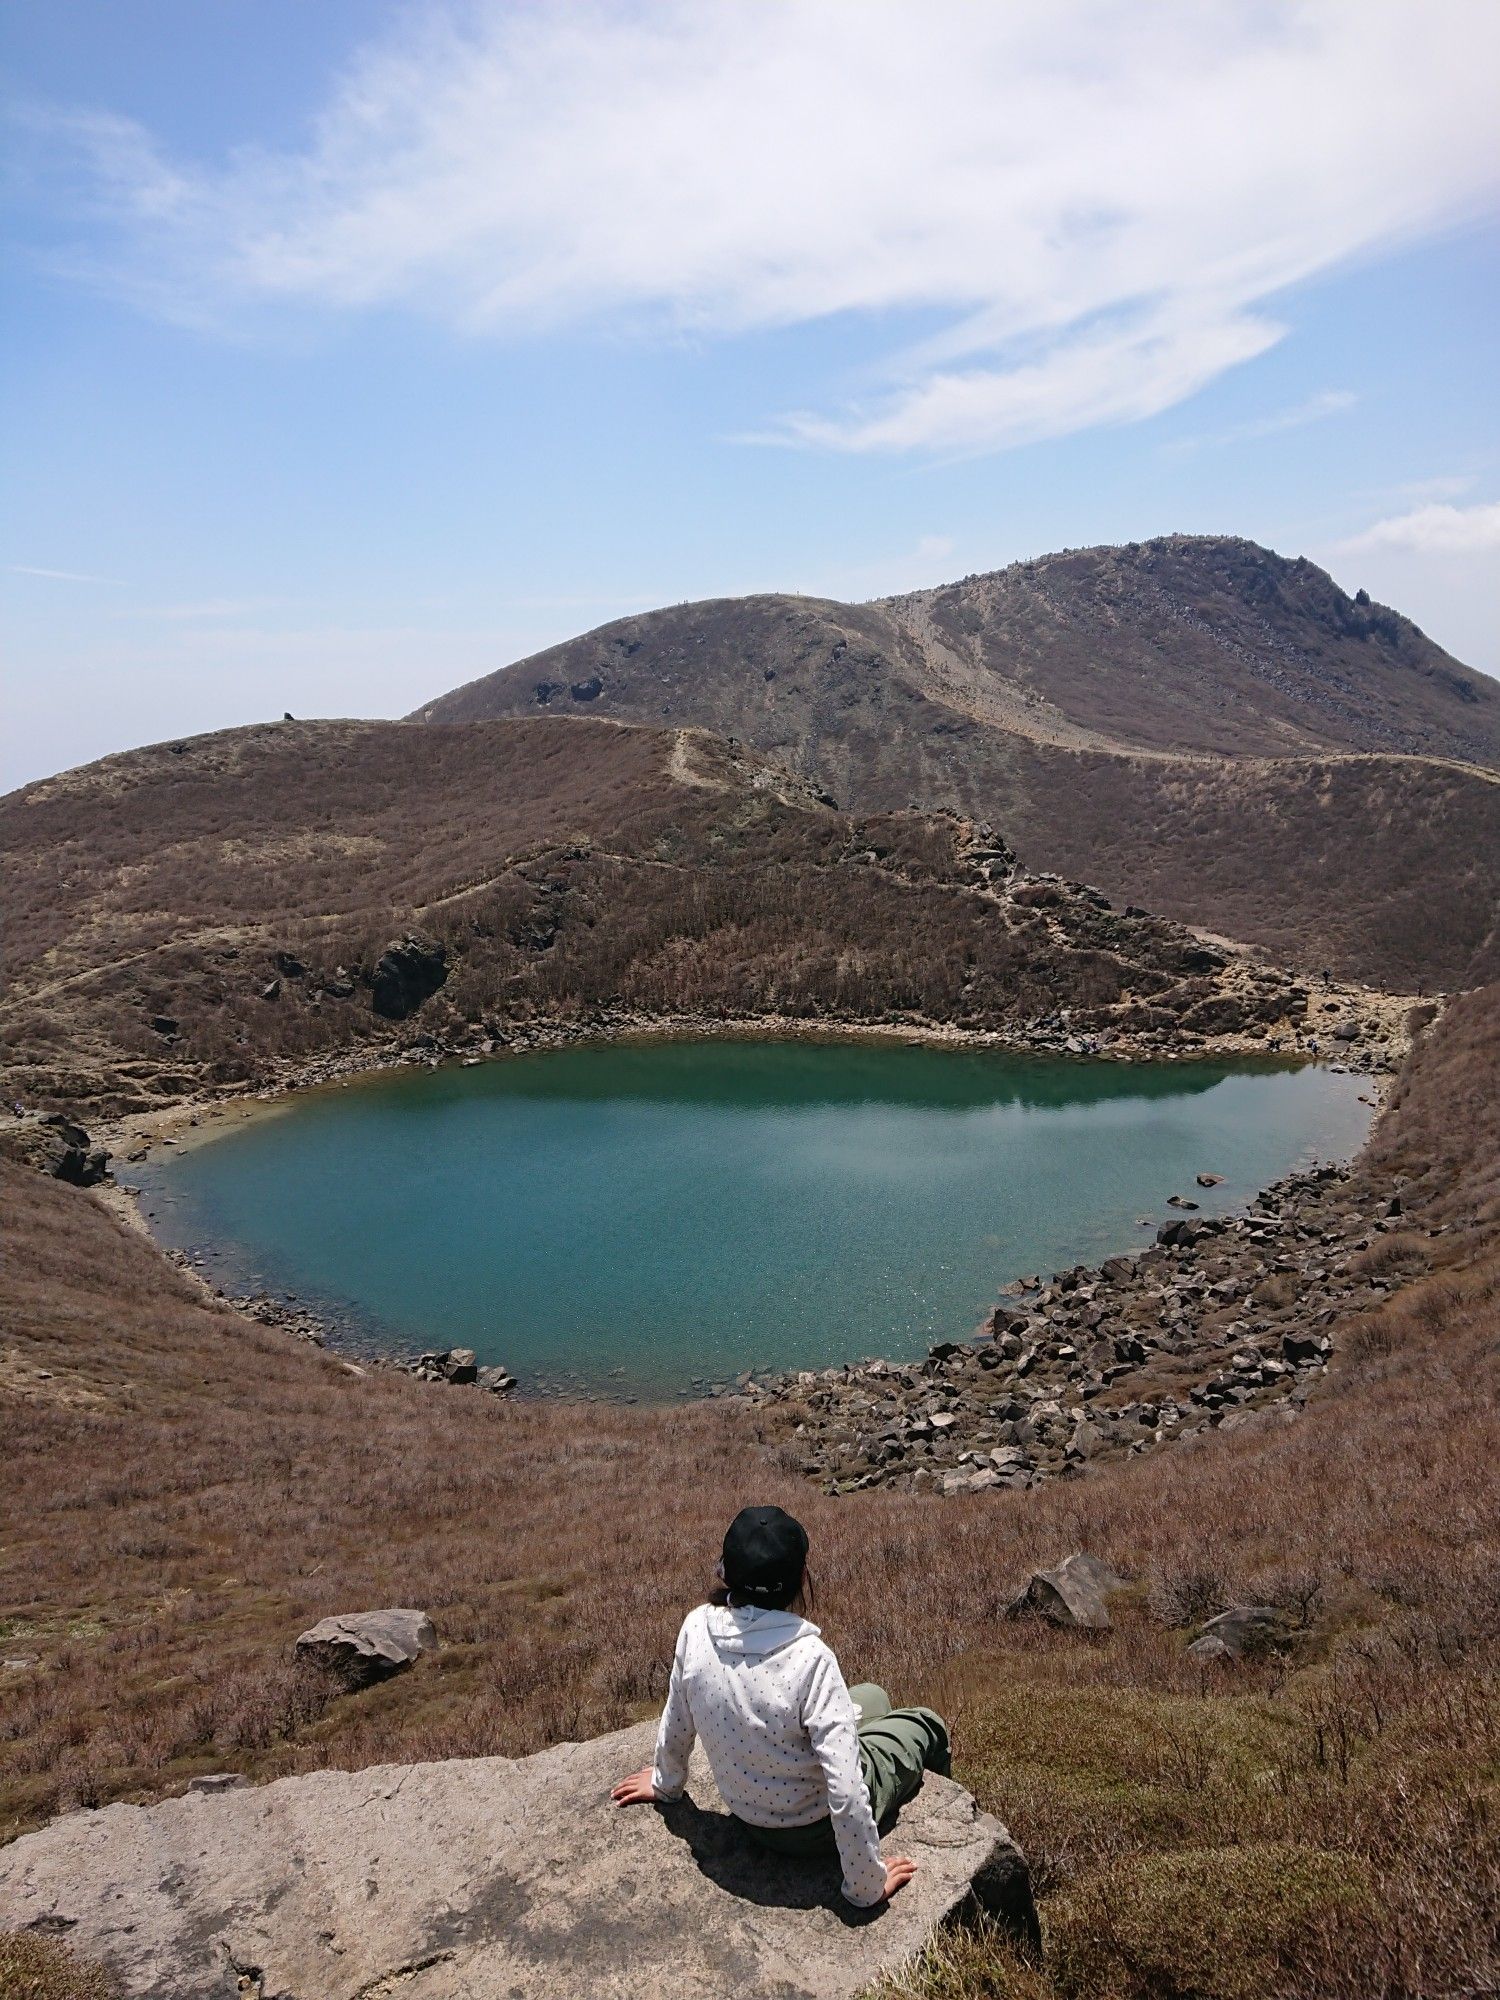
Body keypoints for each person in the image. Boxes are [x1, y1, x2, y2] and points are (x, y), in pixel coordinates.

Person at [612, 1505, 950, 1909]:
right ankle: (948, 1806)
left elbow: (678, 1717)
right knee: (925, 1724)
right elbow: (845, 1791)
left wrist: (667, 1783)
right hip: (813, 1830)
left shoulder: (696, 1627)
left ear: (726, 1571)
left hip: (747, 1815)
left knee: (873, 1695)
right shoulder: (811, 1658)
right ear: (799, 1579)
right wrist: (866, 1885)